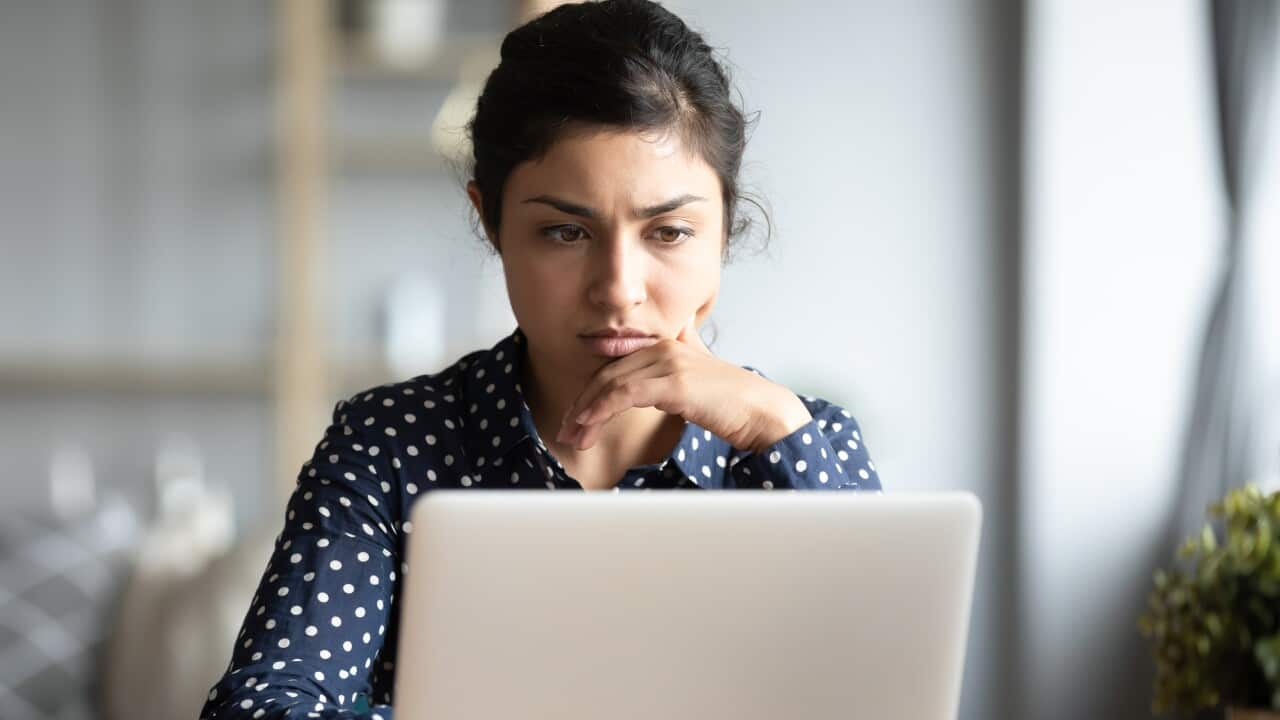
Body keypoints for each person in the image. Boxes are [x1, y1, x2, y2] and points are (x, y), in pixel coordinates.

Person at [199, 1, 881, 717]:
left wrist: (776, 425)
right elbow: (265, 706)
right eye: (564, 232)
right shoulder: (389, 447)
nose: (618, 289)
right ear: (490, 221)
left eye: (669, 232)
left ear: (724, 231)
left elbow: (882, 697)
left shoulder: (806, 442)